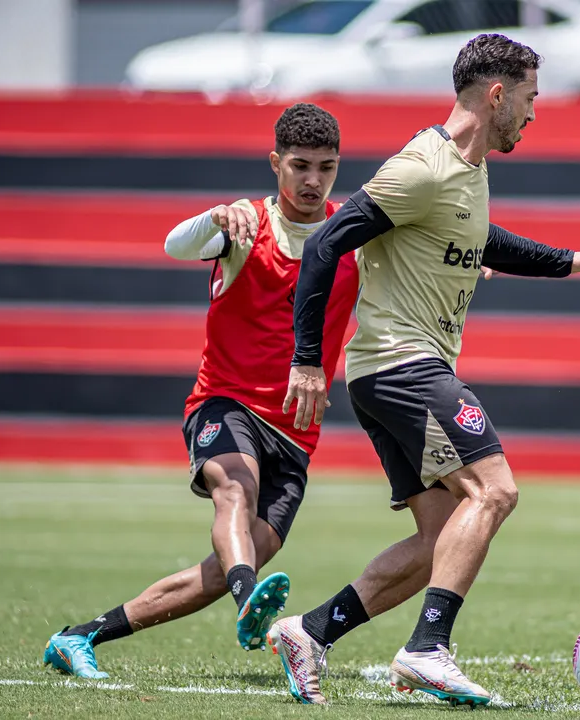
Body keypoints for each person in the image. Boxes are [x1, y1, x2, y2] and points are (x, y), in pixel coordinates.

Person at [268, 33, 580, 706]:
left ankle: (310, 633)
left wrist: (568, 259)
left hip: (390, 373)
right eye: (529, 98)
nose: (533, 113)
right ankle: (428, 648)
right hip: (402, 365)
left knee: (440, 539)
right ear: (496, 95)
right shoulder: (423, 166)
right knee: (494, 491)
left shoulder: (468, 171)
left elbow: (478, 236)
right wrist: (308, 361)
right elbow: (325, 243)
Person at [42, 103, 361, 678]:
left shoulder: (351, 236)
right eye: (300, 166)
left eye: (326, 167)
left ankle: (80, 637)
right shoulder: (244, 226)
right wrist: (216, 216)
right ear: (275, 164)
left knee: (222, 567)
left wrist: (464, 265)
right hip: (226, 402)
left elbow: (422, 253)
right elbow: (173, 244)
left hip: (295, 433)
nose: (313, 180)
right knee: (233, 494)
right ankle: (251, 605)